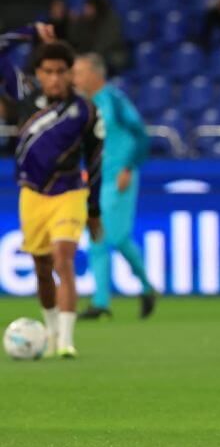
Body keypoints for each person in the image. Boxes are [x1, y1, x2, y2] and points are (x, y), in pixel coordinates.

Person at [1, 23, 103, 358]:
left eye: (62, 71)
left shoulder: (85, 111)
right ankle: (49, 329)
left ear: (71, 73)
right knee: (42, 269)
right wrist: (30, 32)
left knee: (64, 261)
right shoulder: (26, 97)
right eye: (48, 71)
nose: (55, 78)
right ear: (38, 73)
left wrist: (94, 211)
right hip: (32, 194)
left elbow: (98, 158)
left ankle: (65, 342)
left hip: (70, 193)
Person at [72, 53, 156, 320]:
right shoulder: (82, 105)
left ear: (96, 74)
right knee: (100, 237)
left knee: (115, 237)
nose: (75, 78)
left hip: (119, 177)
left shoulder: (114, 100)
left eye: (80, 72)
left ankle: (143, 287)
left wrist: (129, 167)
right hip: (96, 179)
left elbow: (141, 134)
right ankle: (103, 302)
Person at [68, 0, 129, 74]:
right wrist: (74, 23)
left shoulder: (111, 20)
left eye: (89, 7)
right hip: (90, 54)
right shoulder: (83, 20)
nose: (85, 10)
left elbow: (107, 42)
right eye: (85, 7)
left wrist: (91, 56)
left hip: (111, 53)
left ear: (96, 8)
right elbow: (76, 39)